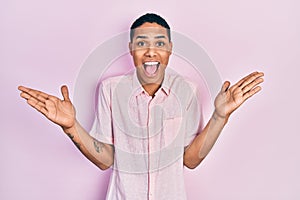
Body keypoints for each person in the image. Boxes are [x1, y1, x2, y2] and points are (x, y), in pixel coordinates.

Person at [18, 13, 264, 200]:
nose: (150, 52)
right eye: (141, 43)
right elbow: (105, 159)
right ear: (131, 50)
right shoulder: (110, 89)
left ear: (169, 50)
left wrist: (220, 116)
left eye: (159, 44)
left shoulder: (187, 90)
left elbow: (190, 159)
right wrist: (71, 127)